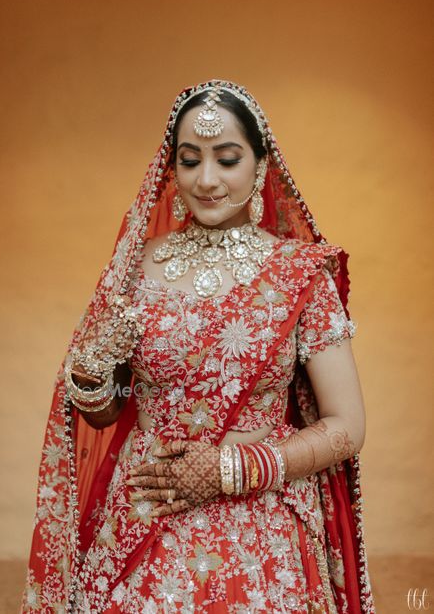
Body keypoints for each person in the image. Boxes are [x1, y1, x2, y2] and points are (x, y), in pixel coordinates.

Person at [21, 79, 375, 613]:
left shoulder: (300, 274)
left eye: (227, 159)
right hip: (144, 513)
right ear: (173, 169)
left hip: (261, 527)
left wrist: (231, 469)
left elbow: (346, 426)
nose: (206, 180)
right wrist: (94, 380)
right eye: (190, 160)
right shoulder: (138, 268)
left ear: (260, 166)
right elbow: (106, 412)